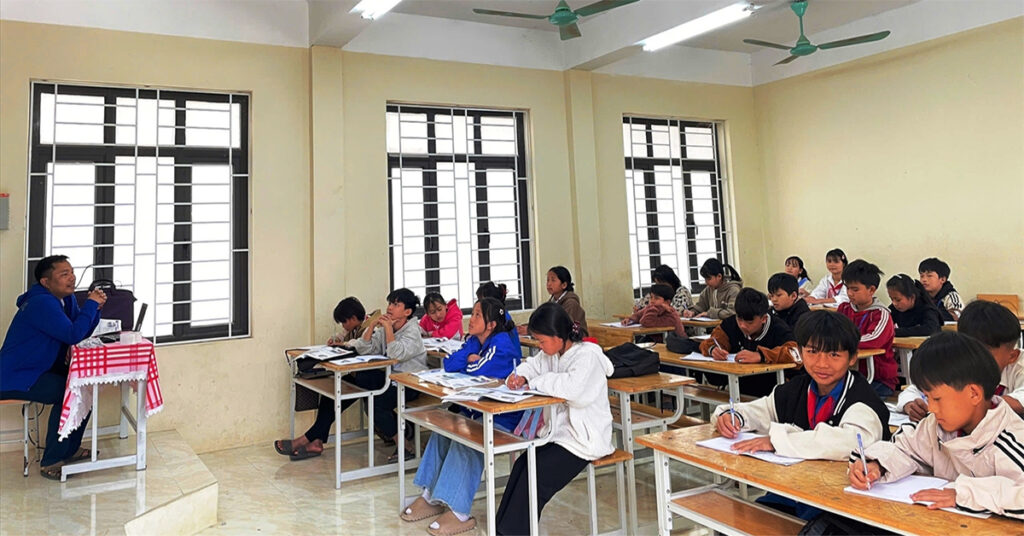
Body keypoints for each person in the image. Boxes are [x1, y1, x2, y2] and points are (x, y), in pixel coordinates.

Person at [714, 310, 890, 520]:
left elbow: (849, 442)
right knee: (743, 521)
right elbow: (763, 410)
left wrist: (777, 441)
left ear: (852, 358)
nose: (822, 363)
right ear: (800, 352)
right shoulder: (796, 388)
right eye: (812, 351)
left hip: (843, 503)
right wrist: (732, 416)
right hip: (793, 491)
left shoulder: (863, 399)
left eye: (834, 355)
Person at [850, 332, 1024, 520]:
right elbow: (904, 447)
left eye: (937, 399)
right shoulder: (936, 425)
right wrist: (877, 465)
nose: (931, 408)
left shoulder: (1011, 440)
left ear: (973, 394)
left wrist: (963, 494)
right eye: (927, 398)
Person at [400, 298, 521, 535]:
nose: (470, 319)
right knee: (443, 431)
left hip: (502, 417)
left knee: (466, 441)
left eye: (477, 315)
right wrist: (468, 358)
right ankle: (430, 496)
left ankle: (459, 512)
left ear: (491, 324)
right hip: (477, 409)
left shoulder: (502, 344)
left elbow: (480, 370)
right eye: (472, 313)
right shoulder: (475, 340)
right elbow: (449, 363)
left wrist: (468, 362)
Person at [497, 303, 614, 535]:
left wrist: (537, 382)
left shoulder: (587, 356)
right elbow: (531, 366)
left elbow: (572, 390)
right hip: (560, 434)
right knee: (523, 465)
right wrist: (520, 377)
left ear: (558, 336)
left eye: (542, 341)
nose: (539, 346)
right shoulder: (552, 353)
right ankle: (501, 530)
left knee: (536, 474)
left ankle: (513, 532)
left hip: (584, 438)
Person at [278, 288, 427, 462]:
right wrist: (372, 327)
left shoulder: (412, 332)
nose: (389, 308)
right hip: (389, 378)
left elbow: (396, 354)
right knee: (336, 391)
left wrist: (387, 329)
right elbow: (364, 348)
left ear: (407, 312)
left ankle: (405, 446)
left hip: (408, 383)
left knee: (375, 402)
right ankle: (315, 440)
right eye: (389, 303)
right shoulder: (388, 327)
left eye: (395, 304)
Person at [0, 255, 106, 480]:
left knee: (84, 384)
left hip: (37, 370)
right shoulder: (41, 303)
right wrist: (91, 304)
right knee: (68, 391)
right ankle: (51, 461)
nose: (72, 277)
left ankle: (69, 449)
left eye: (72, 272)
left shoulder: (65, 299)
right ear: (46, 282)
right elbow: (72, 334)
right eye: (64, 274)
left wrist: (95, 309)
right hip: (16, 376)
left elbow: (80, 331)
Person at [275, 297, 374, 456]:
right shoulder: (357, 326)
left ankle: (304, 440)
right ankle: (316, 442)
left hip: (370, 378)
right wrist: (337, 339)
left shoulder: (371, 327)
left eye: (344, 322)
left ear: (353, 318)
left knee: (335, 400)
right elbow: (344, 335)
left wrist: (344, 343)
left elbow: (360, 344)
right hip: (358, 375)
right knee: (329, 398)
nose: (343, 326)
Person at [897, 300, 1023, 420]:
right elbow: (915, 390)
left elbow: (1021, 400)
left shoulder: (1020, 365)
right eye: (969, 351)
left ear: (1012, 356)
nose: (976, 359)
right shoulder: (956, 360)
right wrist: (910, 404)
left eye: (985, 353)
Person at [698, 288, 799, 397]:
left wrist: (761, 356)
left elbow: (796, 353)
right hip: (739, 386)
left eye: (749, 322)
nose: (742, 325)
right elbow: (710, 341)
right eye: (739, 319)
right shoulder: (730, 323)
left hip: (770, 390)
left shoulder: (779, 328)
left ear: (763, 318)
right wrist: (713, 349)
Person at [837, 260, 896, 397]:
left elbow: (874, 340)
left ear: (871, 290)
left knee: (852, 400)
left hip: (878, 379)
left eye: (855, 289)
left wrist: (840, 343)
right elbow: (832, 332)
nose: (850, 293)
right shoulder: (844, 309)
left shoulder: (881, 314)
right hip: (847, 375)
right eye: (847, 288)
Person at [543, 266, 588, 337]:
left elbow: (562, 326)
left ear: (564, 285)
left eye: (553, 280)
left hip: (575, 339)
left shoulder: (571, 303)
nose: (549, 284)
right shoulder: (552, 302)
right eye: (548, 280)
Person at [918, 257, 964, 321]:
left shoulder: (951, 296)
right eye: (922, 276)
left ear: (942, 279)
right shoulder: (919, 295)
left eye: (929, 276)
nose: (924, 280)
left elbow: (957, 317)